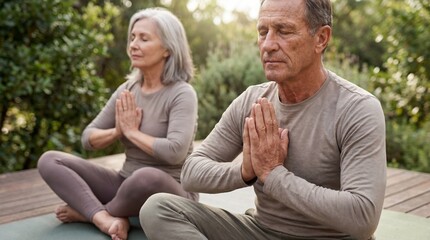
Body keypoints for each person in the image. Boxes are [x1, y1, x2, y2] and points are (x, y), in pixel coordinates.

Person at [139, 0, 387, 239]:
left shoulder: (357, 108)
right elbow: (191, 172)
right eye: (262, 32)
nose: (268, 44)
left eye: (284, 31)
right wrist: (247, 171)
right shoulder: (252, 100)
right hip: (261, 231)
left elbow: (362, 217)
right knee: (158, 209)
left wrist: (273, 174)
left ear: (321, 38)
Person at [37, 7, 198, 240]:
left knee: (146, 176)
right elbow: (88, 138)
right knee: (50, 160)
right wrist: (117, 131)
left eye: (144, 38)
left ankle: (95, 212)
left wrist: (132, 133)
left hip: (171, 190)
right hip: (125, 184)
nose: (133, 44)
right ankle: (106, 217)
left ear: (167, 49)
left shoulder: (182, 93)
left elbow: (175, 152)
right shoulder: (127, 90)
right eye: (132, 37)